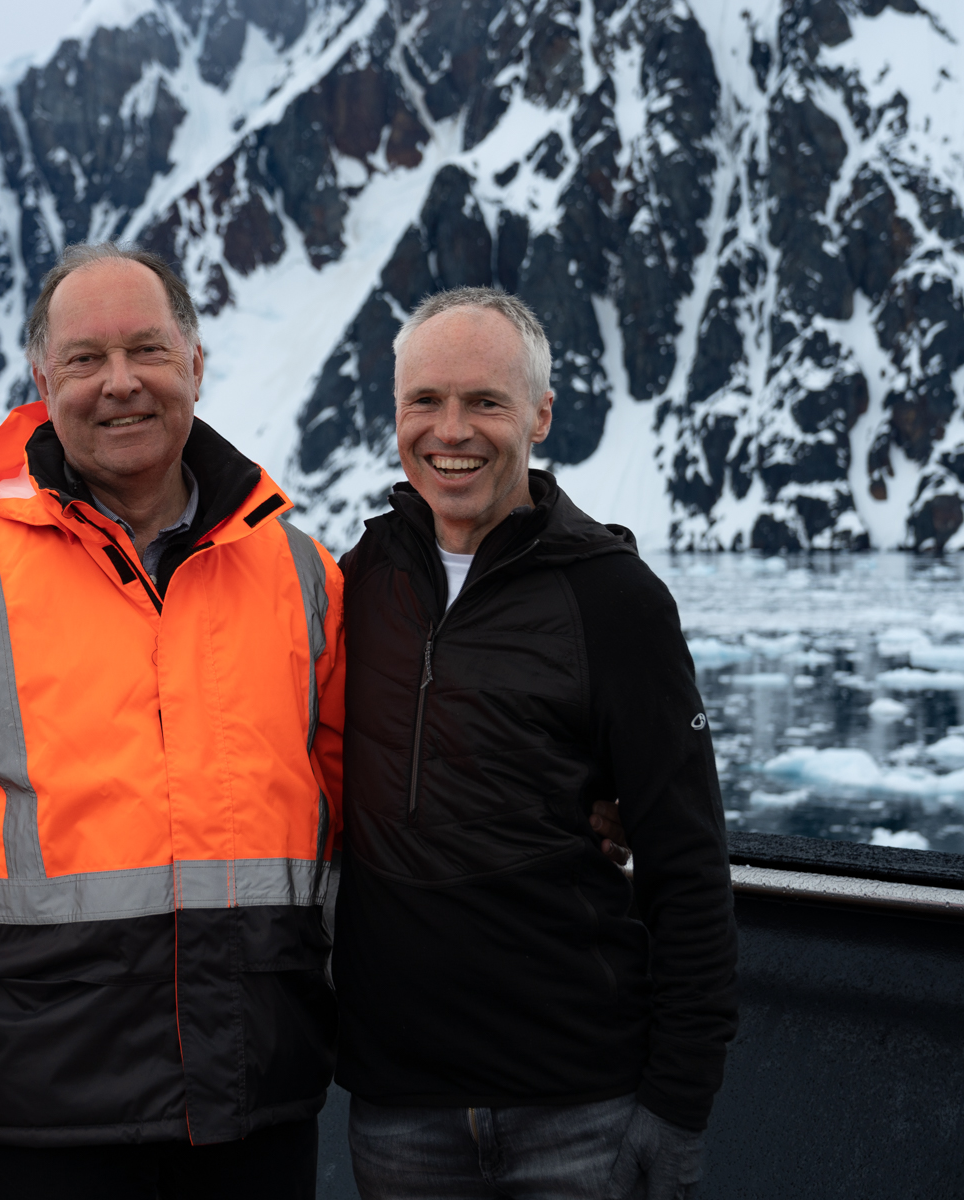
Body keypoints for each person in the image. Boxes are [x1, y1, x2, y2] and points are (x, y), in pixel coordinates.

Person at [0, 243, 346, 1200]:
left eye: (147, 350)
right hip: (46, 1113)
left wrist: (582, 793)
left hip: (258, 1100)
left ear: (195, 365)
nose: (121, 384)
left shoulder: (301, 576)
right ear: (43, 380)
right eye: (87, 360)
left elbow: (375, 792)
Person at [331, 286, 739, 1199]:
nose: (453, 430)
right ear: (395, 414)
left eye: (486, 401)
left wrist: (679, 1106)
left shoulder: (616, 601)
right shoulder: (356, 587)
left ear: (541, 415)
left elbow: (688, 867)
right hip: (399, 1109)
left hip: (580, 1106)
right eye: (426, 401)